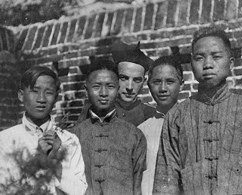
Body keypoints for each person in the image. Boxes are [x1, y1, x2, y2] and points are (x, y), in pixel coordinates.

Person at [153, 26, 242, 195]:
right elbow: (165, 184)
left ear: (231, 62)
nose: (208, 64)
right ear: (191, 63)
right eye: (200, 58)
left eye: (216, 56)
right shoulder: (176, 117)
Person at [0, 66, 87, 195]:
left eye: (49, 92)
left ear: (56, 97)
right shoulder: (4, 139)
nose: (41, 99)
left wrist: (55, 164)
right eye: (35, 91)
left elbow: (81, 191)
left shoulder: (68, 140)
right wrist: (36, 161)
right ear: (21, 95)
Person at [73, 59, 147, 195]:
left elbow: (137, 187)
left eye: (110, 86)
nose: (103, 93)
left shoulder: (134, 135)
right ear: (86, 90)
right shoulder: (73, 137)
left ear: (118, 89)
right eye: (96, 86)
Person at [77, 40, 156, 126]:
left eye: (136, 80)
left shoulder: (150, 115)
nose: (129, 87)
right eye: (123, 78)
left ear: (143, 82)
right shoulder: (94, 110)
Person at [138, 56, 183, 195]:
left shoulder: (193, 123)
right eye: (157, 82)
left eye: (170, 81)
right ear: (148, 84)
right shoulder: (141, 131)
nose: (163, 88)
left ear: (181, 83)